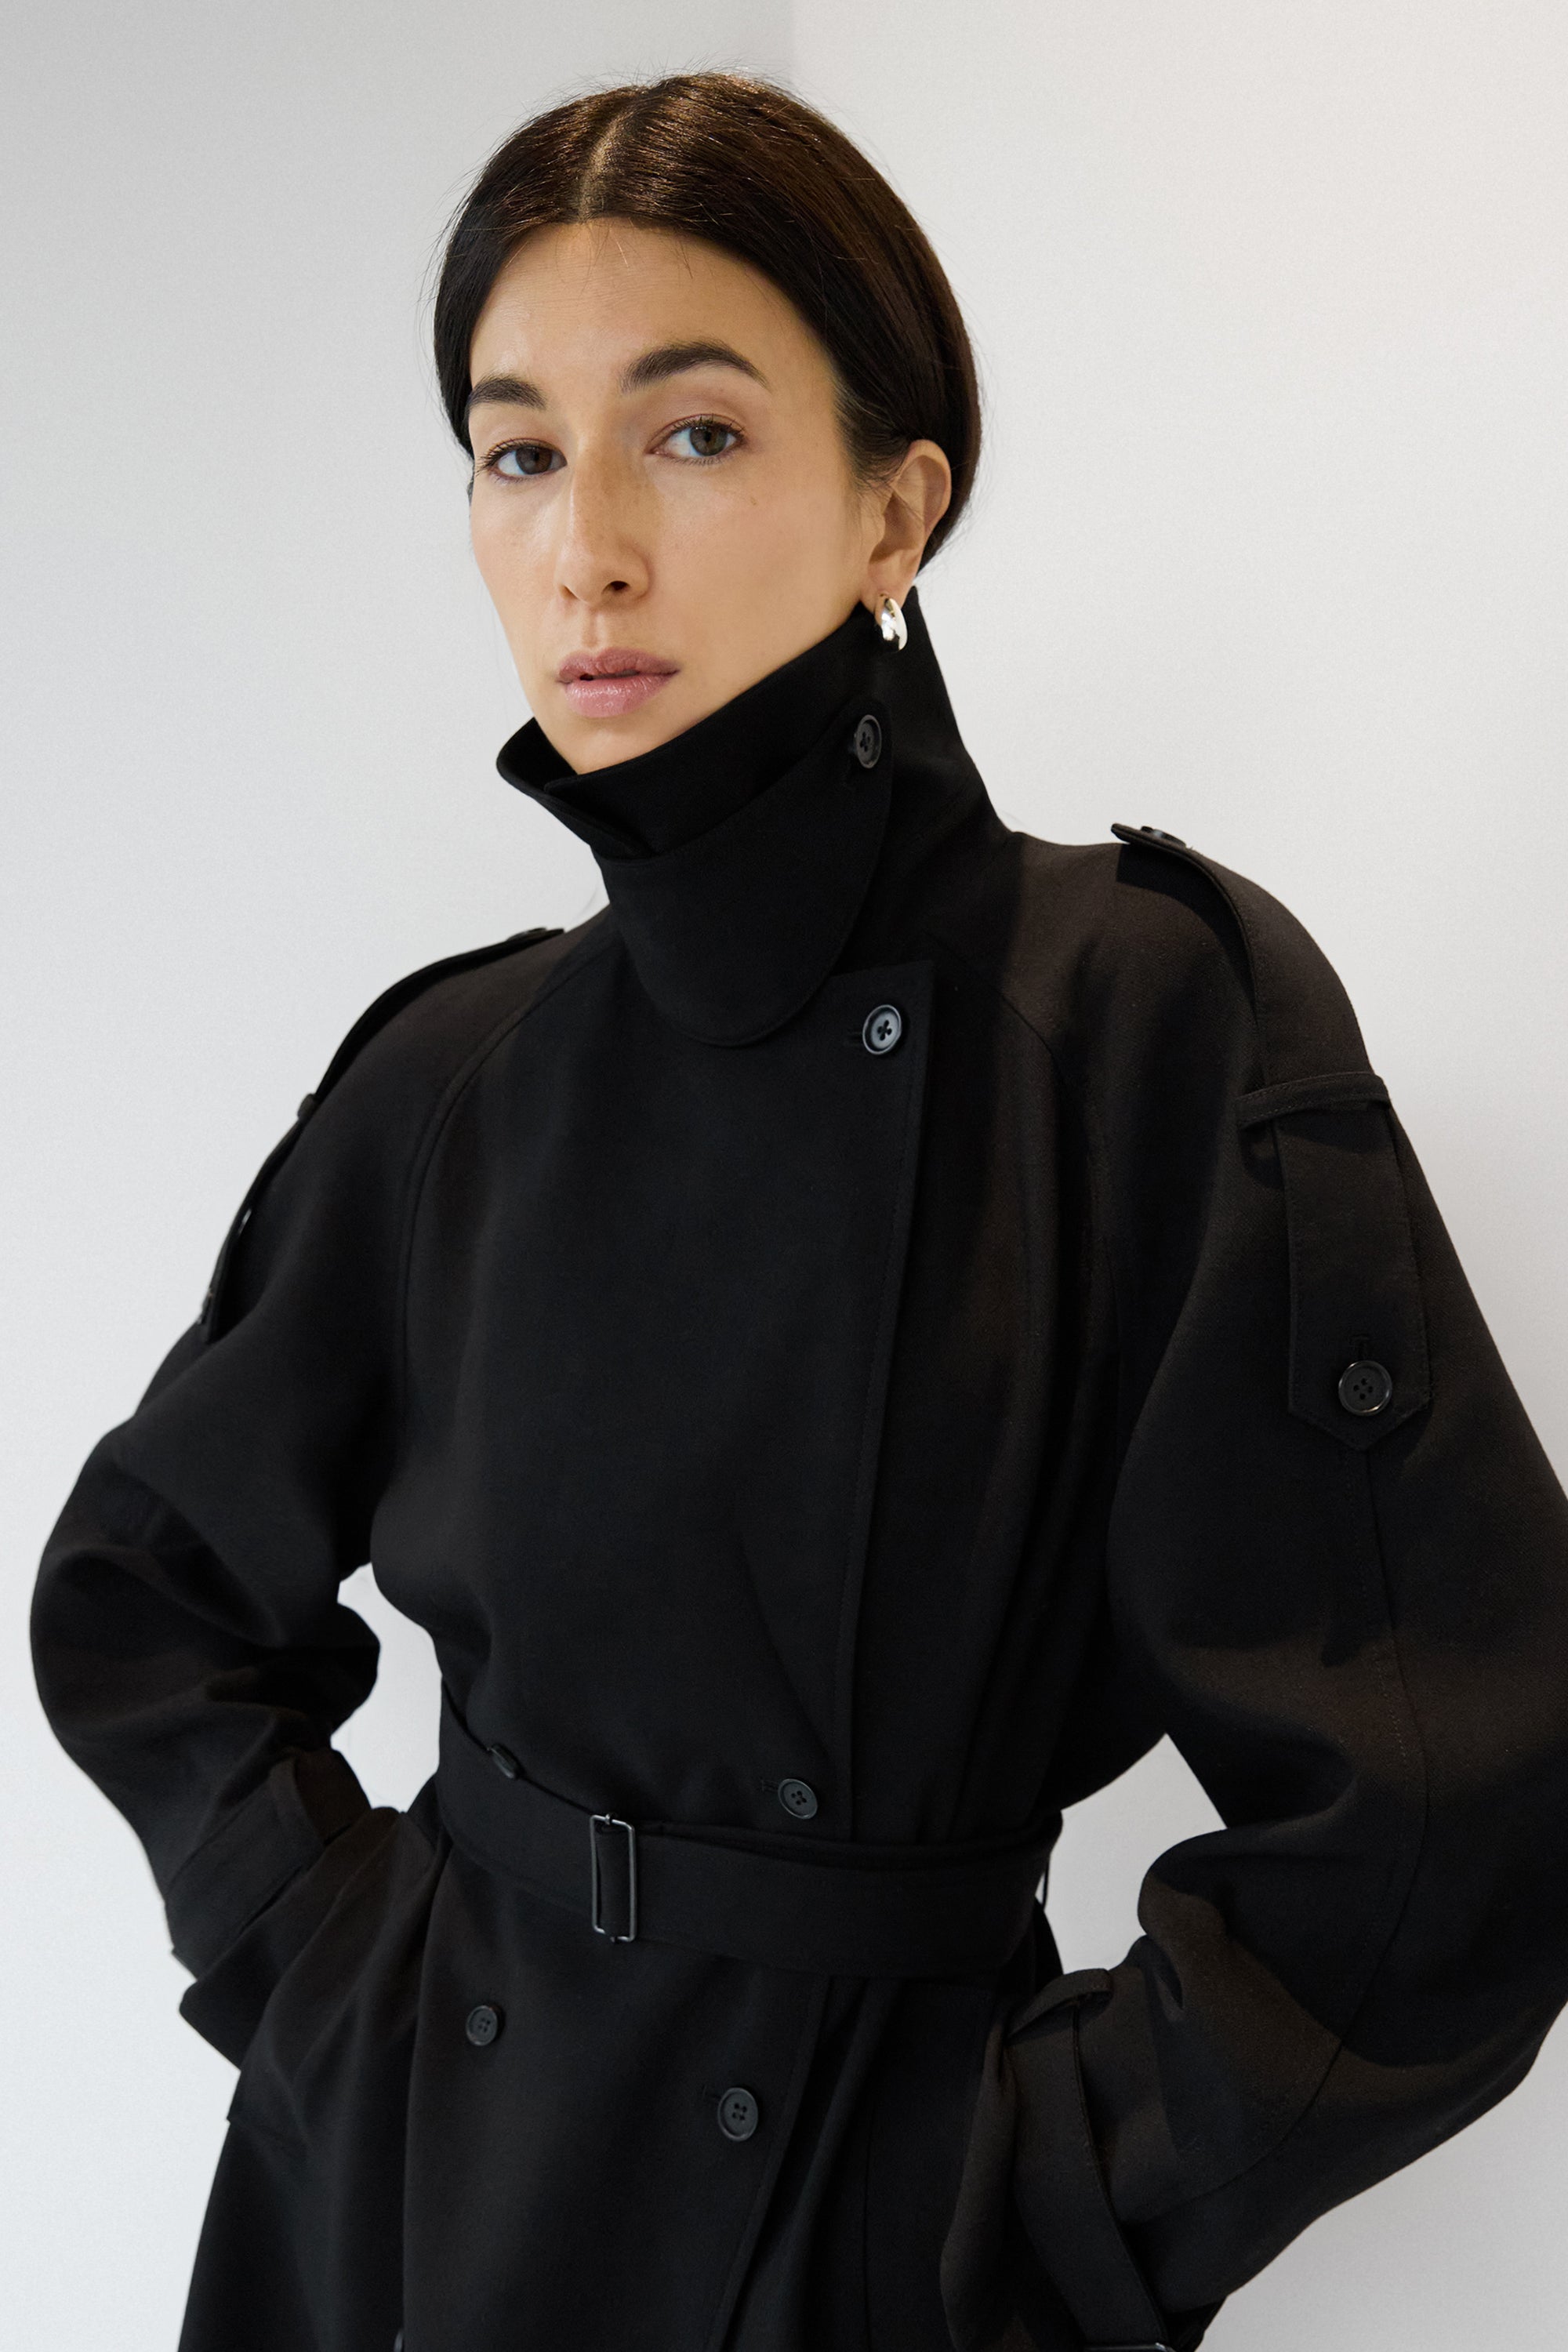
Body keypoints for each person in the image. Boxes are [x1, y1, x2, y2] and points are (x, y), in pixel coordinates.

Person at [30, 70, 1568, 2352]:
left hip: (872, 2244)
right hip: (401, 2219)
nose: (587, 549)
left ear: (895, 508)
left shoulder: (1146, 1024)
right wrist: (327, 1977)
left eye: (695, 433)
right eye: (518, 452)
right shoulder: (456, 1074)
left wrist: (1037, 2208)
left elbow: (1455, 1806)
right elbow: (147, 1595)